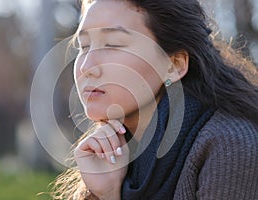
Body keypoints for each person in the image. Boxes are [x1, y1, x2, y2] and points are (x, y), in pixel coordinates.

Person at [52, 0, 258, 199]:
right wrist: (107, 193)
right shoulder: (111, 153)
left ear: (174, 65)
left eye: (112, 44)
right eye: (84, 46)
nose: (87, 67)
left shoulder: (229, 146)